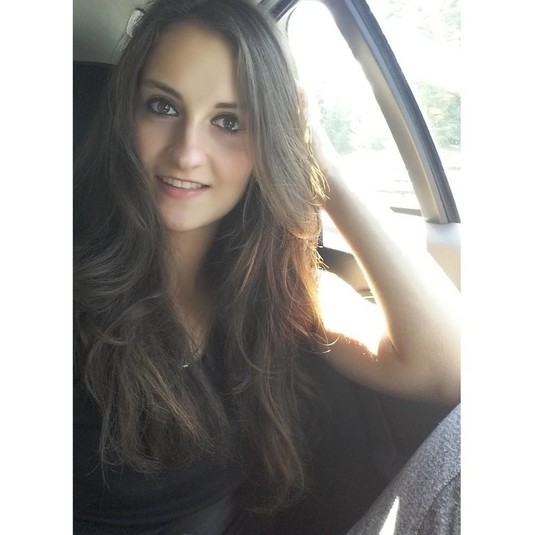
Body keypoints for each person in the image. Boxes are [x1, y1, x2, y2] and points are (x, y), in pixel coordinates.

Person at [73, 0, 460, 533]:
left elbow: (449, 369)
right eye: (162, 107)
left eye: (229, 121)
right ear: (126, 115)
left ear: (270, 139)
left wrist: (322, 164)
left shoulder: (282, 289)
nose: (187, 153)